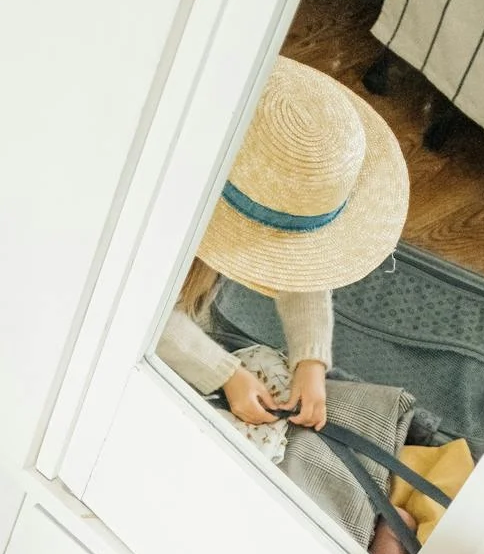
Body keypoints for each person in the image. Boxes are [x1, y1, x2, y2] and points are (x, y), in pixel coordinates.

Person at [157, 57, 410, 435]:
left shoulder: (253, 163)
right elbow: (132, 309)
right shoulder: (156, 212)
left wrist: (310, 360)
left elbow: (296, 251)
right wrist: (223, 373)